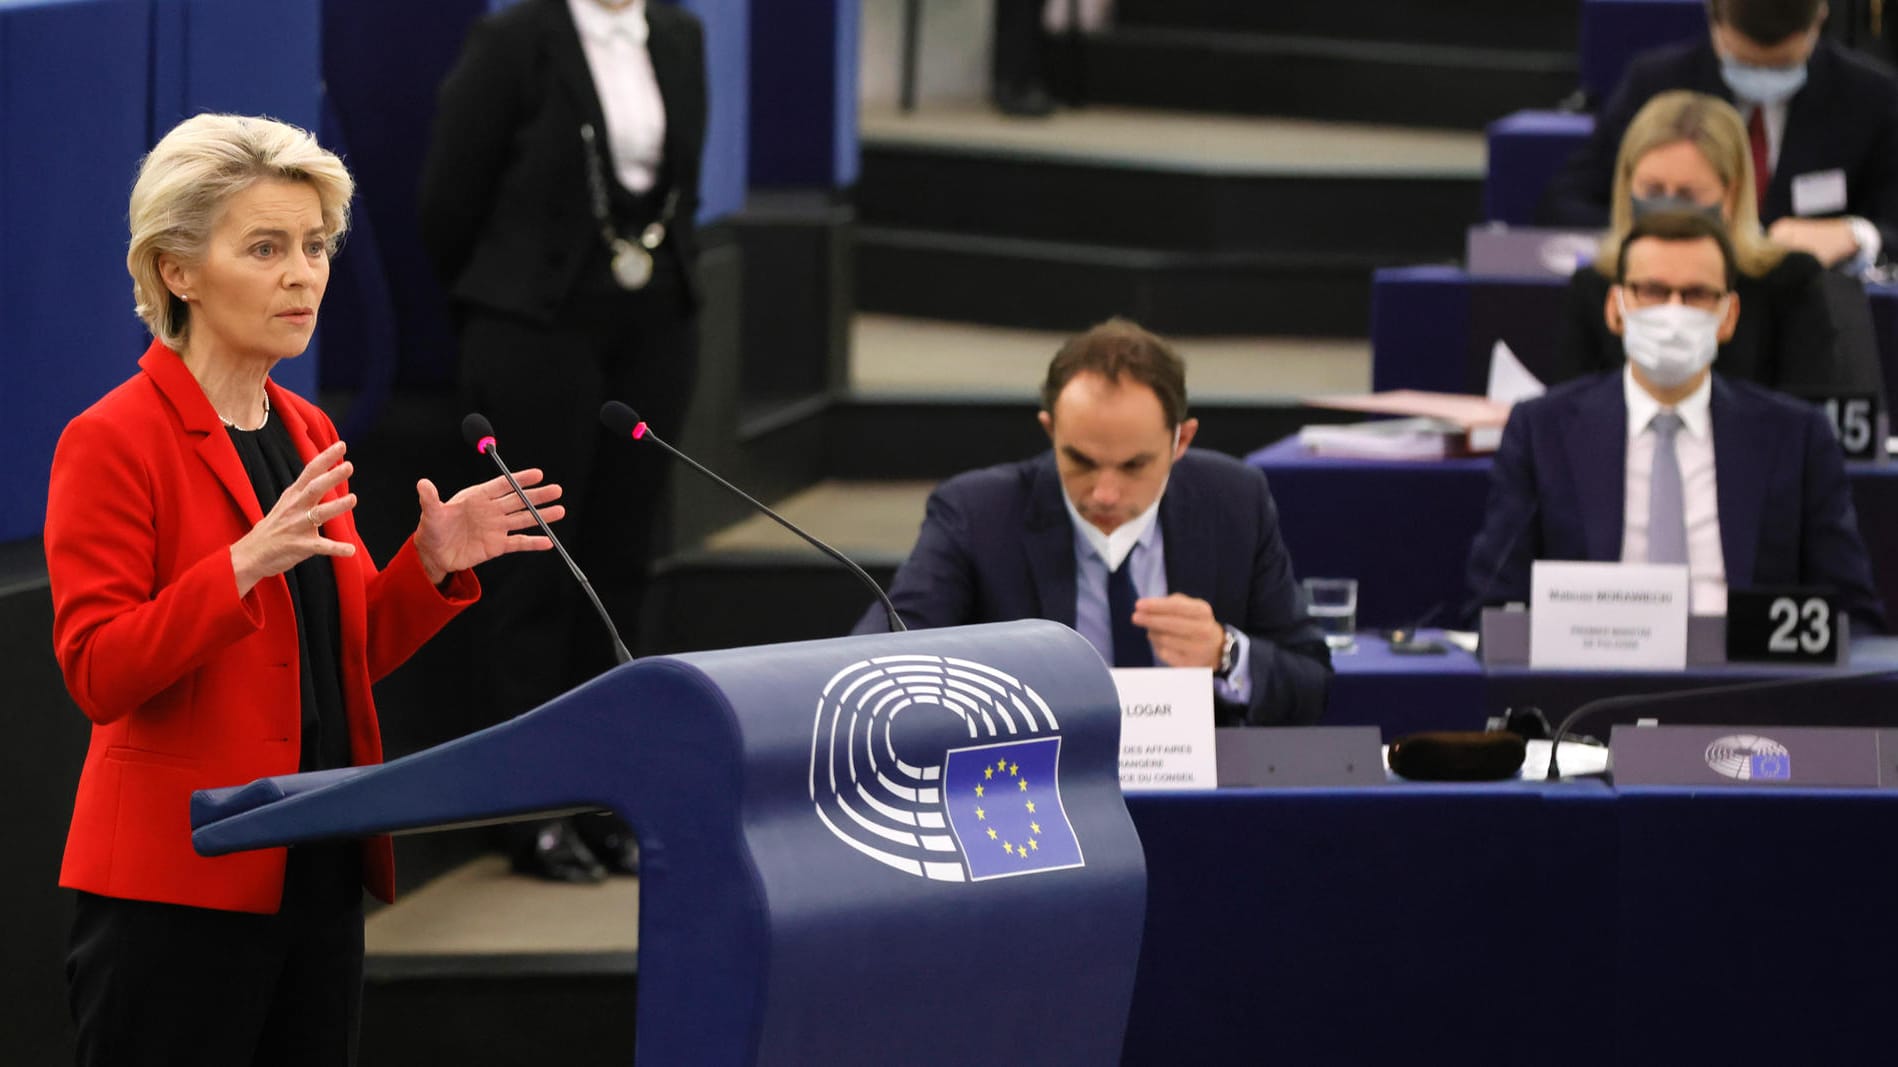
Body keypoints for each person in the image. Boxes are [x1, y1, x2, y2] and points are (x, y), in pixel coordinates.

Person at [45, 113, 563, 1066]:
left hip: (314, 865)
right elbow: (96, 670)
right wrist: (239, 564)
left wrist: (430, 564)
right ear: (177, 271)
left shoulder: (307, 424)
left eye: (317, 246)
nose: (304, 273)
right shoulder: (114, 439)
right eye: (267, 247)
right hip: (180, 883)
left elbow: (336, 648)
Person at [419, 0, 707, 882]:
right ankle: (528, 805)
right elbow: (447, 202)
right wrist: (501, 294)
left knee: (623, 562)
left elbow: (676, 184)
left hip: (650, 325)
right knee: (535, 565)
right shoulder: (516, 38)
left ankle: (605, 795)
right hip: (534, 330)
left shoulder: (680, 34)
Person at [855, 319, 1332, 726]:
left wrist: (1223, 654)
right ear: (1050, 431)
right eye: (1080, 461)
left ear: (1180, 441)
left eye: (1133, 466)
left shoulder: (1233, 501)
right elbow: (876, 660)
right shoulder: (976, 513)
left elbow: (1311, 682)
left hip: (1197, 793)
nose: (1104, 493)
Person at [1467, 212, 1884, 630]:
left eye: (1697, 294)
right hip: (1593, 680)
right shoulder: (1542, 431)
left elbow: (1854, 617)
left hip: (1746, 684)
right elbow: (1494, 607)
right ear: (1615, 308)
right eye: (1652, 290)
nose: (1674, 312)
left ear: (1729, 316)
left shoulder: (1796, 436)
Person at [1548, 91, 1873, 396]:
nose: (1669, 209)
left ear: (1731, 194)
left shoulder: (1790, 283)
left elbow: (1809, 421)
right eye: (1653, 190)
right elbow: (1570, 417)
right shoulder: (1594, 285)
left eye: (1688, 195)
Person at [1539, 0, 1898, 274]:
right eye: (1746, 62)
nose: (1762, 76)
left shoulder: (1871, 97)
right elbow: (1566, 199)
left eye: (1779, 65)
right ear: (1713, 19)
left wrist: (1857, 234)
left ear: (1819, 20)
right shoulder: (1657, 83)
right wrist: (1662, 227)